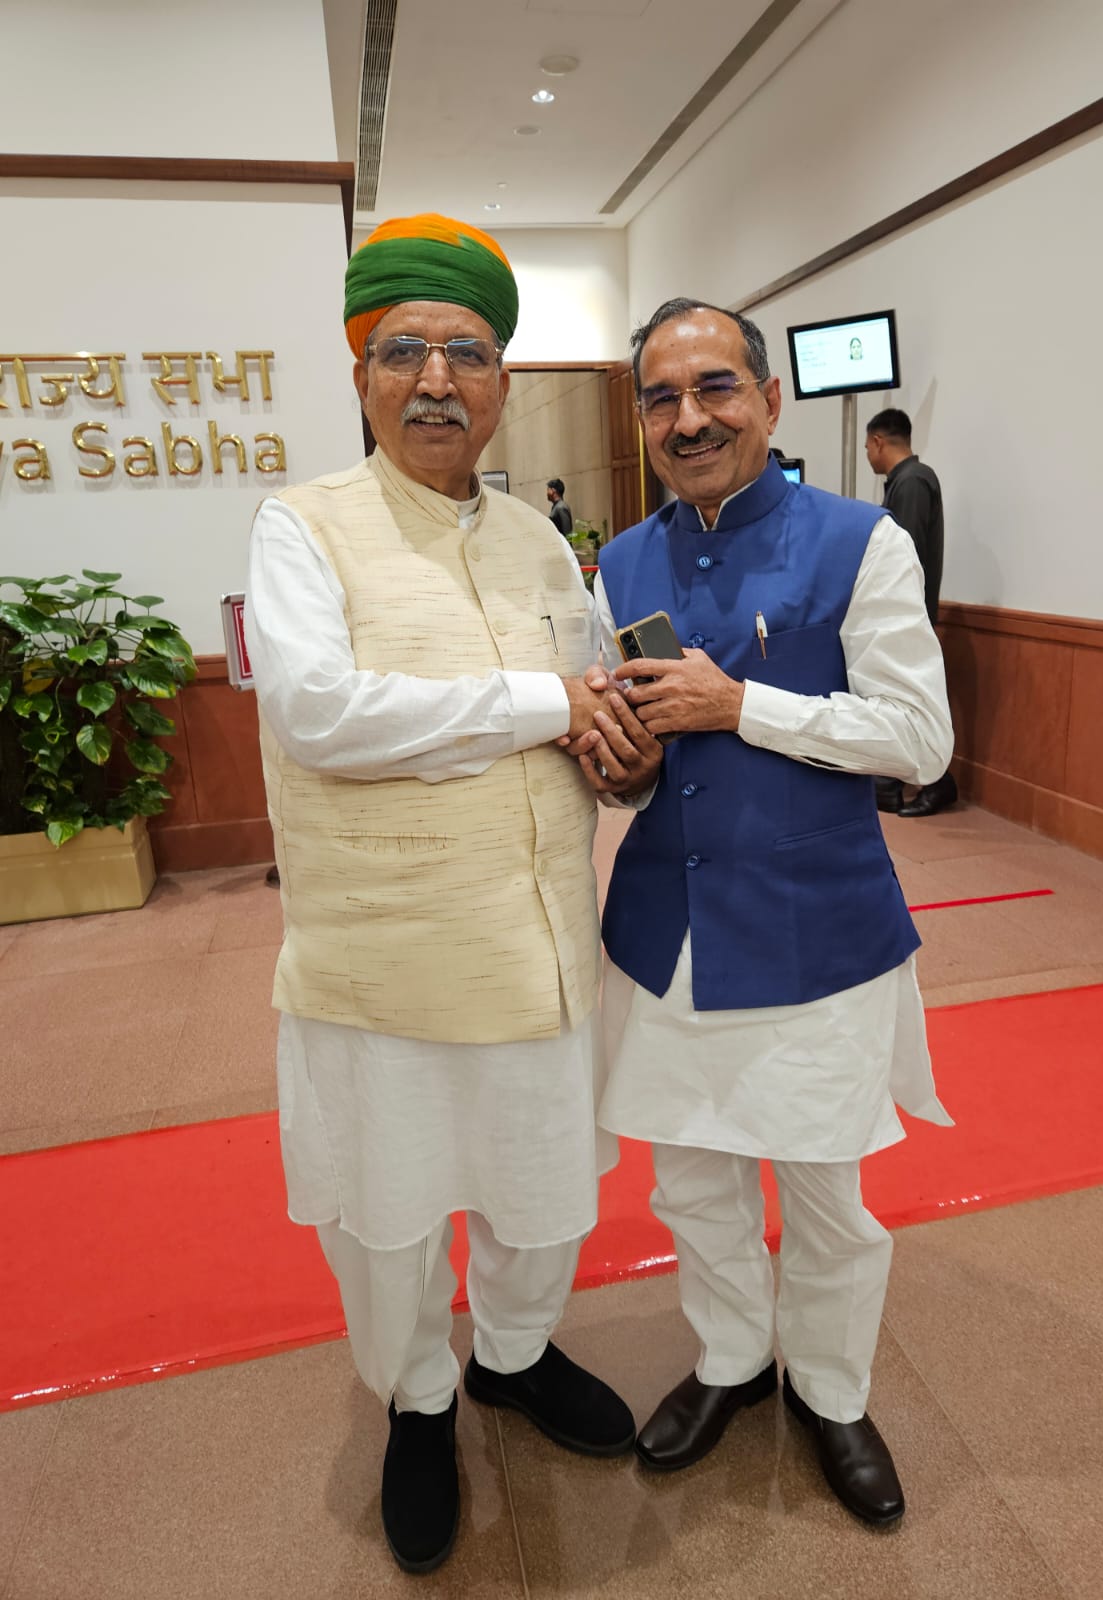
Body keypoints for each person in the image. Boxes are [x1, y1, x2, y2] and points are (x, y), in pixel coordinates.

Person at [244, 213, 661, 1575]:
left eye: (468, 353)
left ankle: (515, 1356)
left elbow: (594, 709)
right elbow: (320, 713)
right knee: (393, 1210)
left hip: (541, 946)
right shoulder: (304, 527)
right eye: (404, 351)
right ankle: (420, 1399)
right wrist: (549, 705)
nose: (437, 379)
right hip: (387, 963)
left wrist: (622, 758)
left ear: (502, 383)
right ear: (361, 375)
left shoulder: (546, 545)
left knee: (543, 1187)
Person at [592, 298, 954, 1528]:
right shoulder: (619, 562)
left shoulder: (861, 540)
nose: (689, 419)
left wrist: (738, 704)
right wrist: (623, 761)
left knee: (826, 1195)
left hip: (817, 927)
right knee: (692, 1180)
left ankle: (835, 1391)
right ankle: (734, 1358)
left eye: (714, 388)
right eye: (661, 398)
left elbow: (919, 738)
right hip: (669, 928)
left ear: (767, 397)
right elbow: (634, 759)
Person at [865, 408, 958, 816]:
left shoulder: (913, 482)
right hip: (904, 613)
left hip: (906, 614)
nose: (868, 454)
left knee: (912, 702)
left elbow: (905, 555)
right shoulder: (907, 481)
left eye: (867, 447)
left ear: (878, 442)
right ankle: (891, 783)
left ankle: (938, 783)